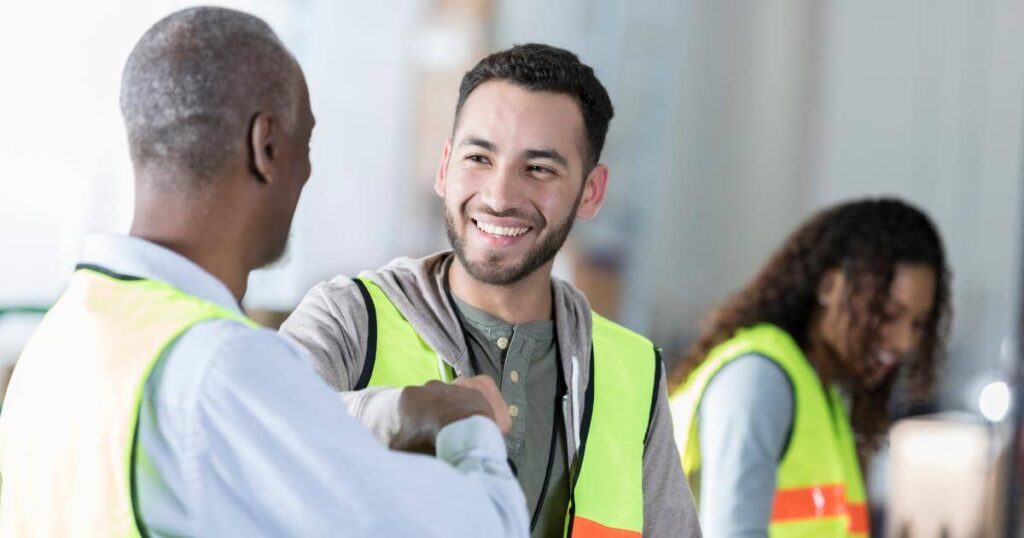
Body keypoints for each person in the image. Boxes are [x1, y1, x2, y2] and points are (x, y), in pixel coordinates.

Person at [0, 7, 529, 537]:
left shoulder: (63, 338)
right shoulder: (219, 365)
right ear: (267, 145)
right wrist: (466, 423)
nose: (308, 171)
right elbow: (485, 527)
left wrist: (393, 415)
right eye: (306, 143)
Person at [281, 44, 701, 537]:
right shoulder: (349, 318)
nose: (499, 197)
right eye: (479, 157)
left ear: (590, 191)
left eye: (539, 168)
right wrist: (406, 412)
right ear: (445, 167)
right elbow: (255, 428)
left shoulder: (633, 372)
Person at [669, 198, 952, 537]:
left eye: (918, 324)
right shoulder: (758, 381)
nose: (904, 341)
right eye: (887, 314)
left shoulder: (823, 398)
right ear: (830, 286)